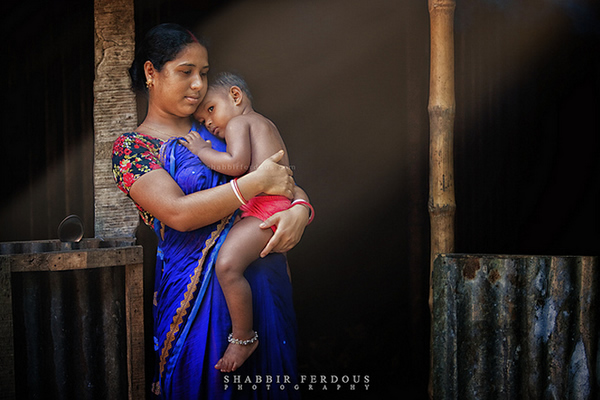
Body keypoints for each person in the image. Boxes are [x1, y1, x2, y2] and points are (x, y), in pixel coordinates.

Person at [111, 23, 311, 399]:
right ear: (151, 73)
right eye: (185, 72)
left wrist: (301, 207)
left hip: (262, 282)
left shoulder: (221, 128)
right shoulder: (133, 149)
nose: (198, 84)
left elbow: (278, 176)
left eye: (203, 73)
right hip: (192, 296)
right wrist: (253, 185)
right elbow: (179, 213)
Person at [179, 72, 313, 374]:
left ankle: (243, 337)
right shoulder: (266, 124)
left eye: (211, 110)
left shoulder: (240, 123)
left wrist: (202, 150)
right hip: (274, 206)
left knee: (226, 264)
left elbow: (237, 164)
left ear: (236, 96)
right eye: (202, 121)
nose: (209, 123)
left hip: (264, 209)